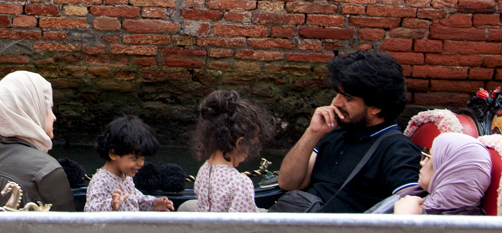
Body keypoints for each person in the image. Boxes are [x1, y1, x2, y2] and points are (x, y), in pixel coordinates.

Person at [277, 50, 421, 213]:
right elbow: (288, 183)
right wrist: (313, 133)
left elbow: (413, 209)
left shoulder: (398, 151)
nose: (336, 102)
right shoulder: (339, 131)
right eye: (338, 94)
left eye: (348, 98)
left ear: (376, 107)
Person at [0, 71, 74, 211]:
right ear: (32, 110)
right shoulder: (48, 169)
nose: (54, 117)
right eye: (49, 108)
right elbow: (70, 225)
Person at [191, 90, 273, 213]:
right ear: (239, 143)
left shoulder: (203, 170)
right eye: (250, 145)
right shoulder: (240, 184)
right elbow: (242, 226)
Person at [84, 115, 174, 211]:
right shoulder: (101, 181)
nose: (141, 164)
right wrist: (111, 205)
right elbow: (91, 211)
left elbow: (136, 200)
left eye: (142, 158)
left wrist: (153, 203)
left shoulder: (126, 176)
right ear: (113, 154)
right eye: (134, 158)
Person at [393, 133, 492, 216]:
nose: (422, 162)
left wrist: (405, 221)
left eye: (429, 157)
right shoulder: (419, 198)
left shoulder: (466, 226)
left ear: (450, 171)